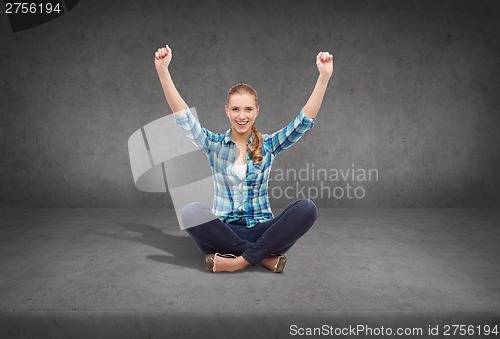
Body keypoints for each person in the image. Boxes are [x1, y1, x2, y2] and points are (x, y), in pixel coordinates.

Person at [154, 44, 333, 273]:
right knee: (190, 212)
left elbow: (303, 122)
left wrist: (324, 77)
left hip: (263, 231)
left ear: (256, 111)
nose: (242, 116)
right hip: (224, 231)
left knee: (307, 208)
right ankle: (263, 257)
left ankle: (235, 261)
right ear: (227, 111)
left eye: (248, 109)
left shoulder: (268, 145)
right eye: (236, 109)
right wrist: (163, 71)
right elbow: (183, 117)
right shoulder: (214, 144)